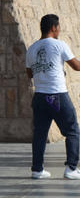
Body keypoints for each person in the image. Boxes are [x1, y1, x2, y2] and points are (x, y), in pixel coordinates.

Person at [25, 13, 80, 179]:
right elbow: (76, 66)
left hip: (40, 97)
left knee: (40, 134)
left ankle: (37, 170)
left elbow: (29, 74)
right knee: (72, 131)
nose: (59, 30)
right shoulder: (59, 45)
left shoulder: (32, 49)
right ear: (54, 28)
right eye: (59, 27)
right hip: (56, 96)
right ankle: (71, 169)